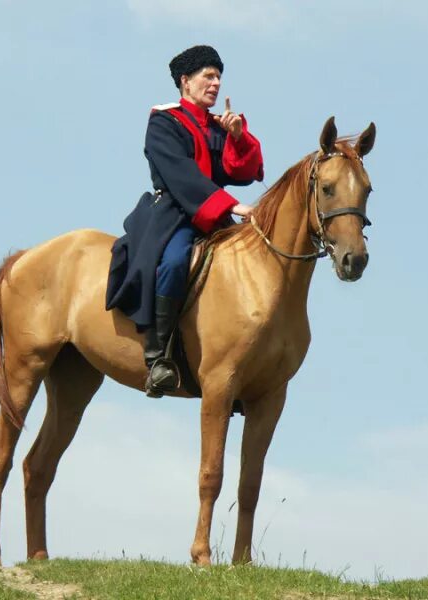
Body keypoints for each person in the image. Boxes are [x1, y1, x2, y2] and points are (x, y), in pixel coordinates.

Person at [105, 45, 264, 398]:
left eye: (219, 77)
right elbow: (182, 175)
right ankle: (158, 355)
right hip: (175, 214)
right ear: (185, 81)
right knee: (175, 262)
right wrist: (233, 206)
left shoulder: (219, 126)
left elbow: (244, 171)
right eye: (208, 76)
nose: (216, 83)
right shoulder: (164, 120)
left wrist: (237, 137)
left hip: (215, 216)